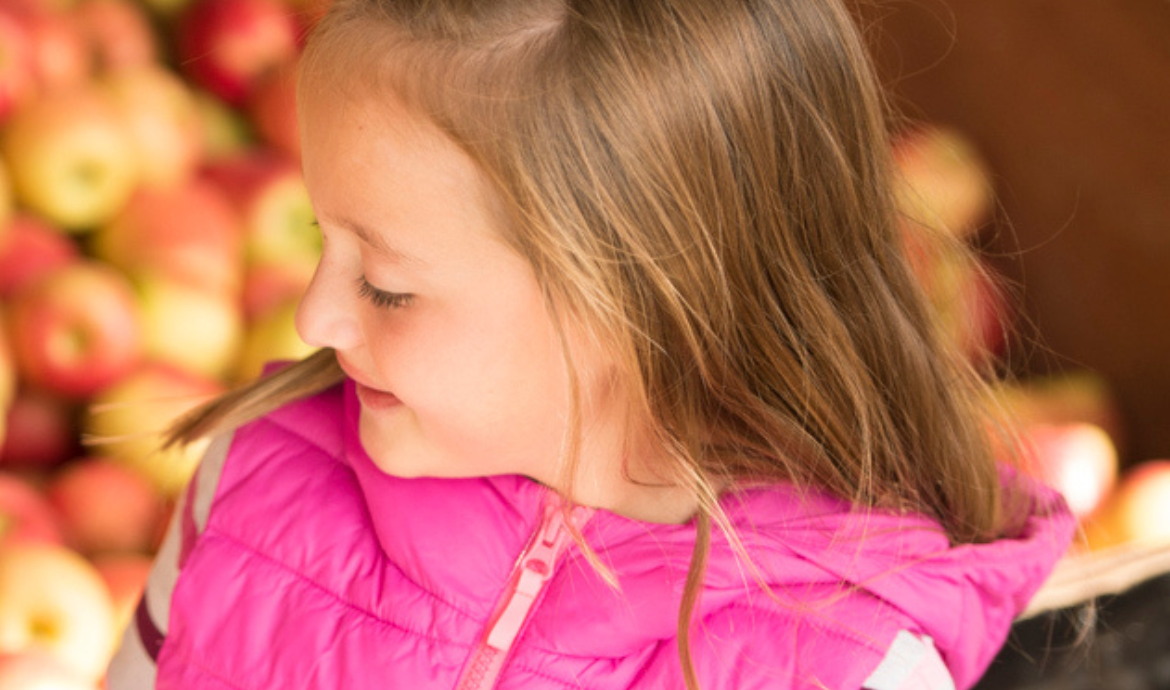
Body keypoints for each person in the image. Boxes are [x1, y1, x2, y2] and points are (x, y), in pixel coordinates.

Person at [105, 0, 1075, 687]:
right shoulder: (250, 484)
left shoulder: (849, 666)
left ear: (639, 301)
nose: (312, 321)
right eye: (323, 239)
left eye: (387, 288)